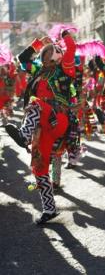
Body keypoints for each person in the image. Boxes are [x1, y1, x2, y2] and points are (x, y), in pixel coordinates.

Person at [5, 31, 76, 223]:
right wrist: (38, 43)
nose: (44, 54)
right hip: (41, 125)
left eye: (48, 52)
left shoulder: (64, 69)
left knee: (35, 103)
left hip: (57, 118)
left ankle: (24, 135)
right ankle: (49, 209)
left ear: (56, 55)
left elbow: (72, 49)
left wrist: (65, 35)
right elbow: (23, 58)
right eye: (43, 53)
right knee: (39, 165)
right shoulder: (38, 71)